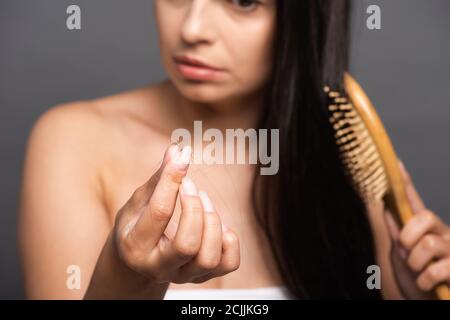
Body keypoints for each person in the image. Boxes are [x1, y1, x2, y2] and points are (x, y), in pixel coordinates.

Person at [18, 0, 450, 299]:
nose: (192, 29)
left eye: (243, 1)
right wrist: (126, 275)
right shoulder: (73, 140)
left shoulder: (345, 152)